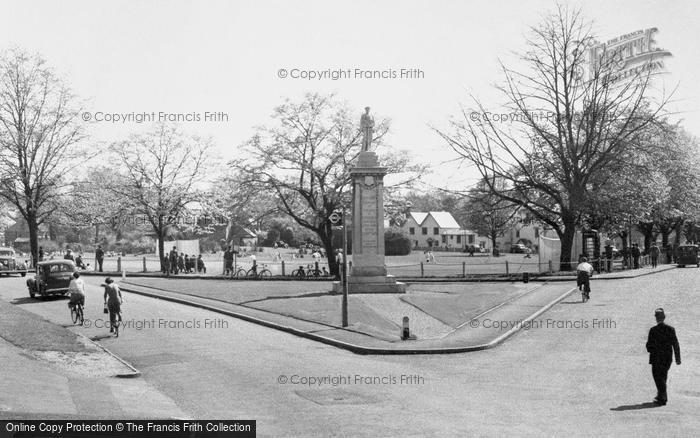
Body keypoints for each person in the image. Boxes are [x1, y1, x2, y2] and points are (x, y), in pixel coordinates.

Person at [646, 308, 681, 405]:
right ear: (664, 317)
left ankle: (663, 397)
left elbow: (649, 346)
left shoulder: (653, 330)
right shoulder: (670, 329)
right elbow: (675, 344)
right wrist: (678, 359)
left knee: (658, 377)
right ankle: (660, 394)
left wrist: (652, 349)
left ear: (656, 318)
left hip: (656, 358)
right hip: (667, 358)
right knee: (663, 376)